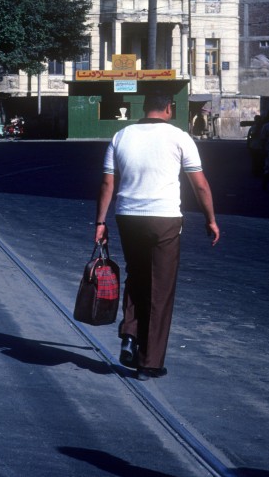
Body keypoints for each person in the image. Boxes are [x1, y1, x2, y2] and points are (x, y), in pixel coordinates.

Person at [93, 93, 220, 381]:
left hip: (128, 217)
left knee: (136, 275)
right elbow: (199, 185)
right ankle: (149, 362)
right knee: (160, 288)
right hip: (164, 218)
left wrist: (100, 221)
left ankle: (129, 333)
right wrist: (210, 219)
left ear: (145, 108)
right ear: (168, 108)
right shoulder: (180, 137)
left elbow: (107, 183)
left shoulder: (121, 136)